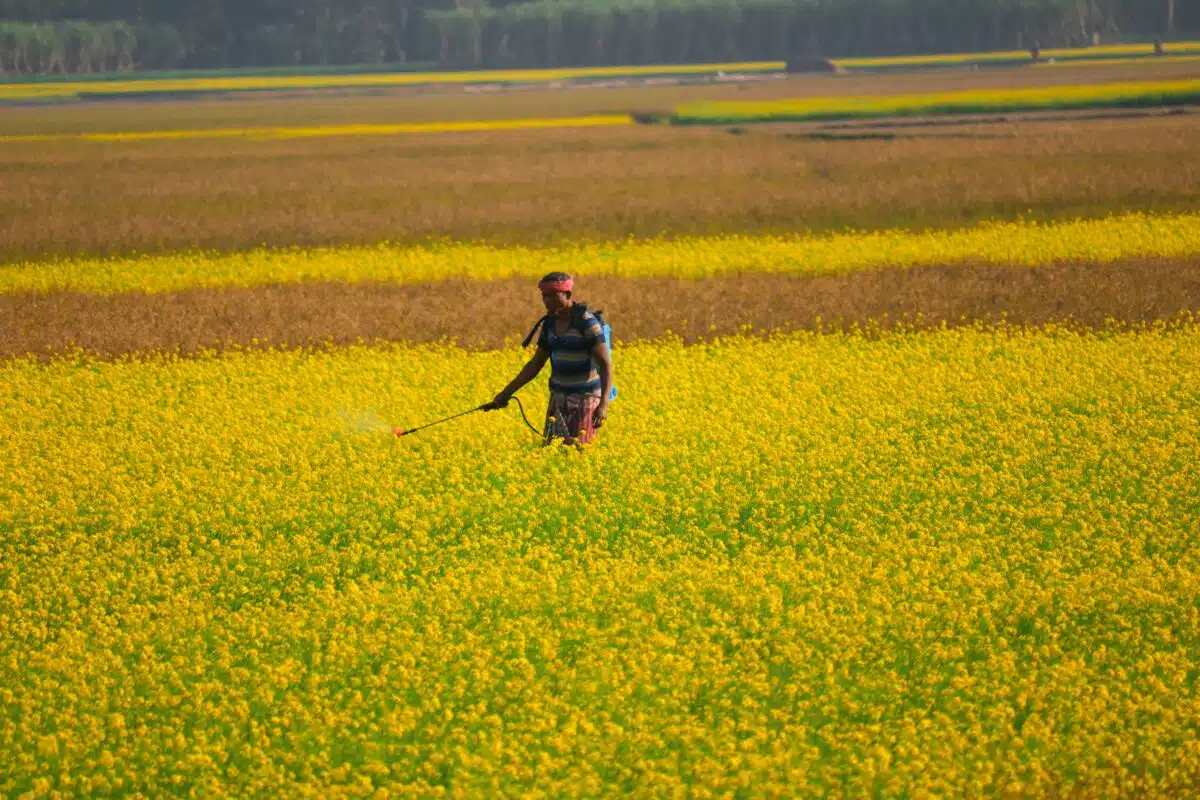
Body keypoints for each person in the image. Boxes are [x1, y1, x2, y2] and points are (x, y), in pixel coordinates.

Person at [484, 272, 613, 446]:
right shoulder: (549, 324)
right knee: (552, 452)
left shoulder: (586, 323)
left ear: (567, 294)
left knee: (577, 453)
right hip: (558, 399)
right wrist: (505, 394)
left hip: (586, 399)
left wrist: (603, 404)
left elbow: (605, 365)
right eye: (544, 296)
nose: (547, 300)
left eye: (552, 296)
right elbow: (535, 364)